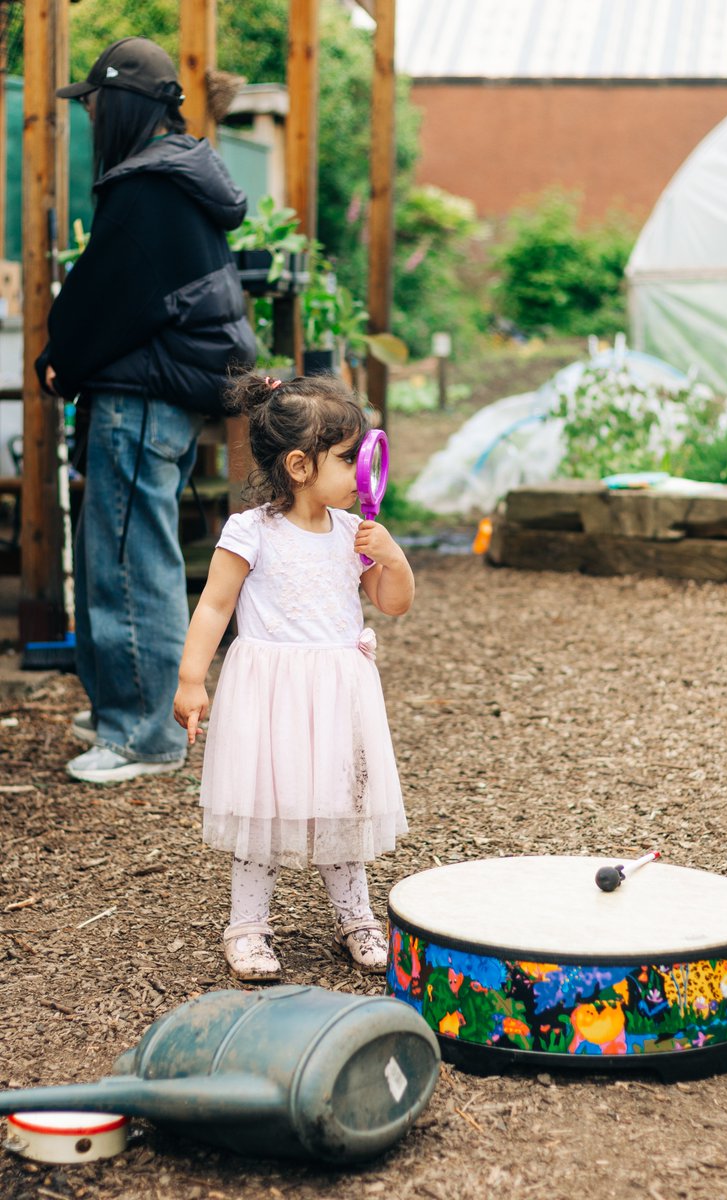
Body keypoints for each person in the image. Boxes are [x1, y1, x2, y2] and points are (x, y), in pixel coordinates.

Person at [35, 37, 256, 785]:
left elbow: (107, 299)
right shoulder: (170, 178)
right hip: (153, 399)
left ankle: (148, 733)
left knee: (129, 565)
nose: (90, 115)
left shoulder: (148, 189)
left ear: (122, 105)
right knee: (117, 559)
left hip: (142, 401)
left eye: (94, 103)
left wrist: (60, 356)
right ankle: (122, 709)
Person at [173, 373, 414, 980]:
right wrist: (191, 678)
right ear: (301, 465)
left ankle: (355, 915)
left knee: (343, 805)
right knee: (264, 810)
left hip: (337, 694)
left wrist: (393, 557)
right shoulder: (251, 531)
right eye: (349, 459)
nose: (361, 472)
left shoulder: (351, 534)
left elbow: (392, 602)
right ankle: (248, 927)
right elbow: (213, 606)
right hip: (272, 695)